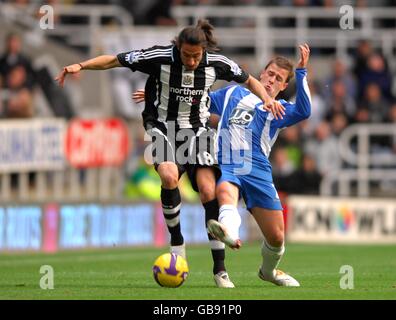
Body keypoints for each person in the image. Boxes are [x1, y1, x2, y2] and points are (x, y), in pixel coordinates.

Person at [55, 19, 284, 288]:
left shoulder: (217, 63)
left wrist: (268, 100)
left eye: (196, 56)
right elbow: (113, 61)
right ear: (178, 47)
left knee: (209, 191)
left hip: (197, 131)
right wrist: (80, 65)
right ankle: (177, 242)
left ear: (203, 51)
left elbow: (250, 80)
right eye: (186, 55)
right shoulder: (158, 56)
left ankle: (220, 270)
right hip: (162, 127)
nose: (191, 61)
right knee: (168, 175)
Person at [206, 44, 311, 287]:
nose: (272, 80)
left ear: (284, 86)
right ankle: (229, 232)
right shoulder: (232, 93)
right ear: (262, 73)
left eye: (279, 79)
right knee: (224, 190)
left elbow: (305, 110)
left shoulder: (279, 108)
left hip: (258, 170)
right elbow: (201, 101)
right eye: (270, 74)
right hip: (229, 162)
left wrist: (302, 70)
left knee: (276, 237)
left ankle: (268, 272)